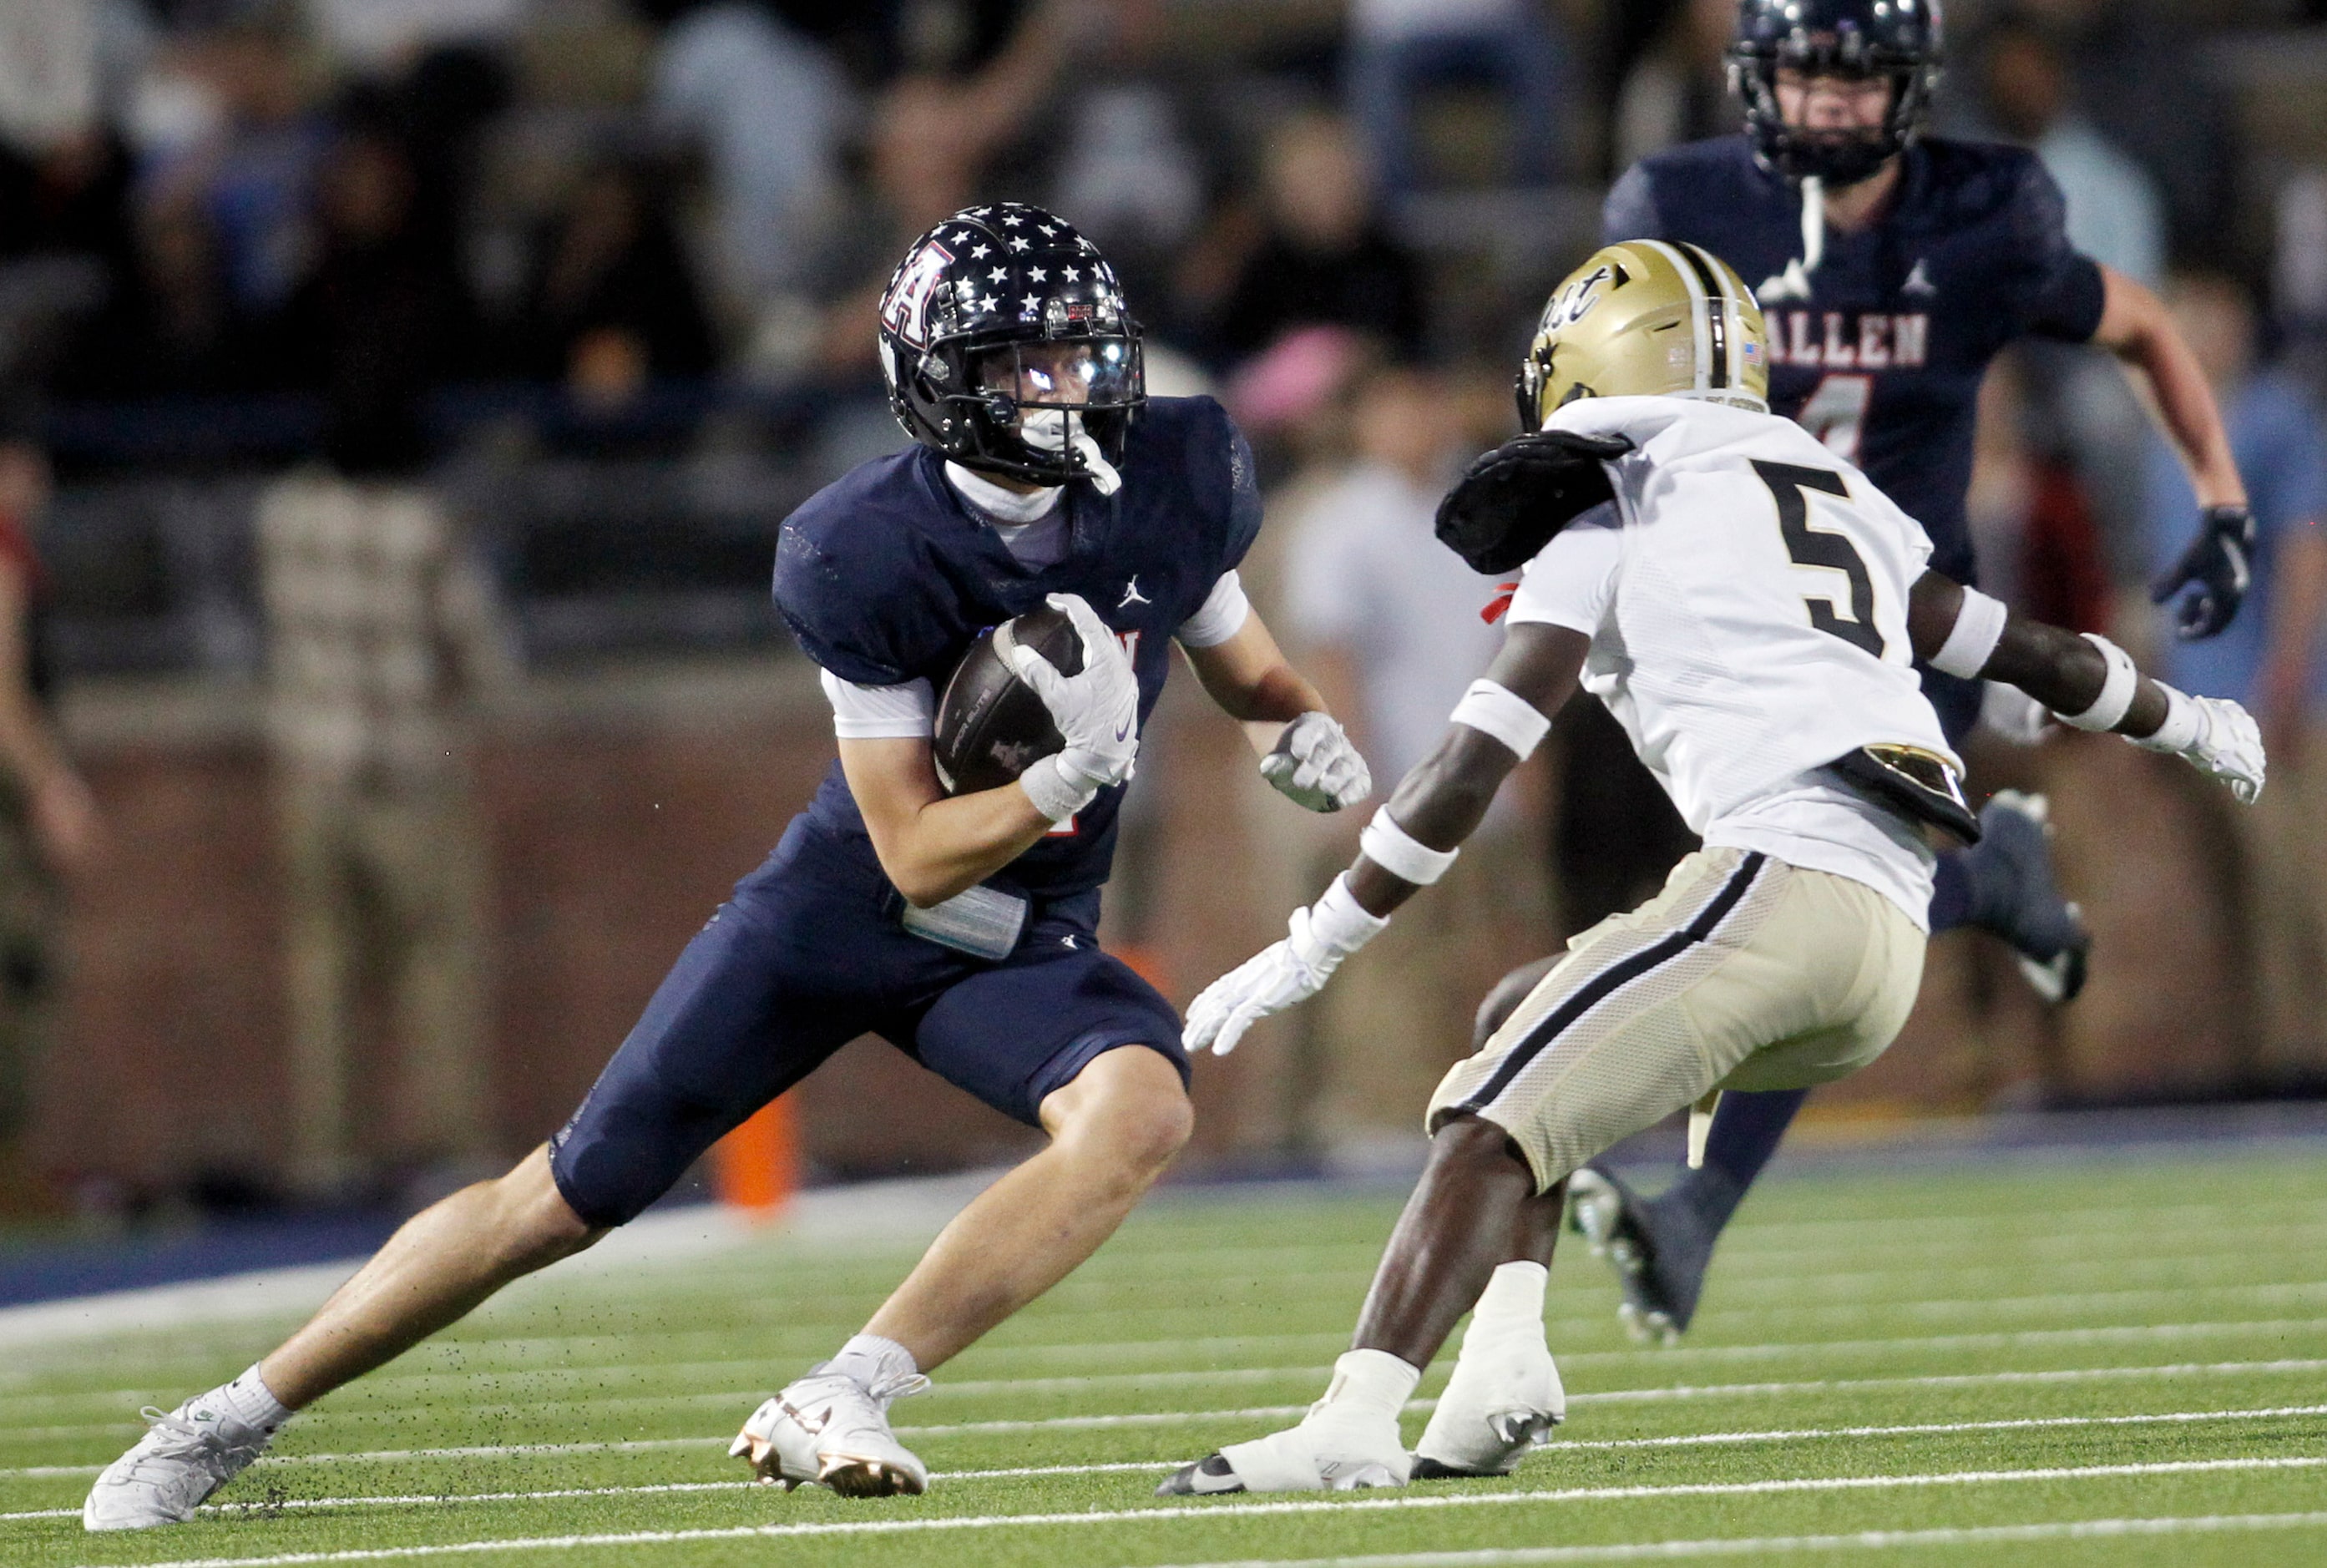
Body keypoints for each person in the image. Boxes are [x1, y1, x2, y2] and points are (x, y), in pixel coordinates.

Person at [80, 203, 1371, 1530]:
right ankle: (227, 1416)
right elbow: (912, 853)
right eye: (1019, 364)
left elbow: (1231, 646)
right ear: (940, 379)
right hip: (846, 913)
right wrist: (1057, 779)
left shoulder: (1169, 469)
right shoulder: (859, 545)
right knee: (559, 1199)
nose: (1062, 392)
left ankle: (846, 1386)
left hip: (1025, 925)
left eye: (1079, 357)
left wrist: (1293, 721)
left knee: (1141, 1111)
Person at [1158, 240, 2264, 1495]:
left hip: (1775, 884)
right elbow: (2022, 650)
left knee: (1481, 1115)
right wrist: (2187, 721)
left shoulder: (1610, 491)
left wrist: (1316, 939)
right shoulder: (1825, 484)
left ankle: (1349, 1420)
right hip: (1881, 932)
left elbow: (1466, 767)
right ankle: (1500, 1367)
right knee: (1517, 1018)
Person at [1554, 0, 2257, 1345]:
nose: (1821, 102)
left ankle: (1697, 1209)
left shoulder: (1983, 214)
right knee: (1809, 893)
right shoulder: (1680, 200)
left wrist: (2216, 496)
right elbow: (1611, 386)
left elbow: (2142, 326)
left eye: (1851, 74)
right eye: (1799, 74)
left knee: (1806, 897)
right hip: (1723, 605)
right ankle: (1984, 875)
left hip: (1893, 610)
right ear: (1752, 81)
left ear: (1911, 87)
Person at [2142, 272, 2327, 1082]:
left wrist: (2286, 679)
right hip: (2194, 706)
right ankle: (2253, 1068)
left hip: (2267, 703)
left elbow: (2303, 549)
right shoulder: (2166, 437)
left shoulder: (2274, 417)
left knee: (2298, 894)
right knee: (2222, 906)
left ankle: (2304, 1064)